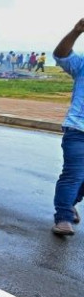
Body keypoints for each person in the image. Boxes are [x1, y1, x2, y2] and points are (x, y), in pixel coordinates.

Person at [51, 18, 84, 236]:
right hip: (78, 130)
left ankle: (70, 202)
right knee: (73, 174)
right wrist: (76, 31)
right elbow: (61, 54)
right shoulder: (82, 64)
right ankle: (63, 217)